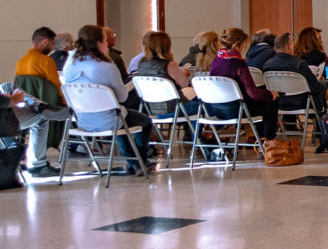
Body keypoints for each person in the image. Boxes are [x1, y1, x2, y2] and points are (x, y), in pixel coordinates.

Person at [63, 25, 153, 176]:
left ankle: (135, 163)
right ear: (99, 43)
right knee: (143, 121)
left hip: (83, 121)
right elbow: (122, 97)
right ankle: (139, 161)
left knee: (119, 116)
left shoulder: (71, 67)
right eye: (105, 40)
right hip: (110, 120)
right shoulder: (107, 67)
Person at [208, 27, 278, 142]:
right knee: (271, 101)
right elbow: (253, 93)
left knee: (261, 100)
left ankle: (259, 140)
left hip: (217, 109)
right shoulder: (238, 63)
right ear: (237, 45)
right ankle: (267, 141)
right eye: (243, 45)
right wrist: (270, 94)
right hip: (236, 109)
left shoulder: (216, 61)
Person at [0, 82, 69, 179]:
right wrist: (11, 100)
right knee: (41, 119)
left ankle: (41, 107)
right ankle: (37, 166)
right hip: (4, 120)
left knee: (7, 86)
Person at [134, 31, 198, 117]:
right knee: (203, 106)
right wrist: (183, 74)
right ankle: (193, 130)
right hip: (175, 108)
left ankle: (189, 129)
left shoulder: (141, 63)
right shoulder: (169, 64)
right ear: (167, 46)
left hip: (153, 109)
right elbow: (185, 84)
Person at [262, 32, 327, 117]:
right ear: (289, 45)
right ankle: (320, 123)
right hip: (301, 103)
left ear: (274, 48)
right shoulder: (299, 64)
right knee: (322, 85)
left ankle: (290, 124)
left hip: (278, 103)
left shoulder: (267, 66)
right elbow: (315, 87)